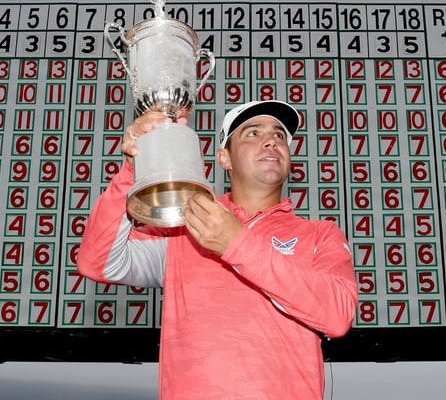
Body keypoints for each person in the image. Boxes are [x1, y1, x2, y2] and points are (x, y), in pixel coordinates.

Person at [77, 100, 358, 399]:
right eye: (252, 133)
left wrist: (235, 244)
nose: (271, 141)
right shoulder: (185, 228)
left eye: (279, 135)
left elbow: (337, 316)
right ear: (225, 158)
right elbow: (98, 262)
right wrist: (135, 169)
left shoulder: (320, 234)